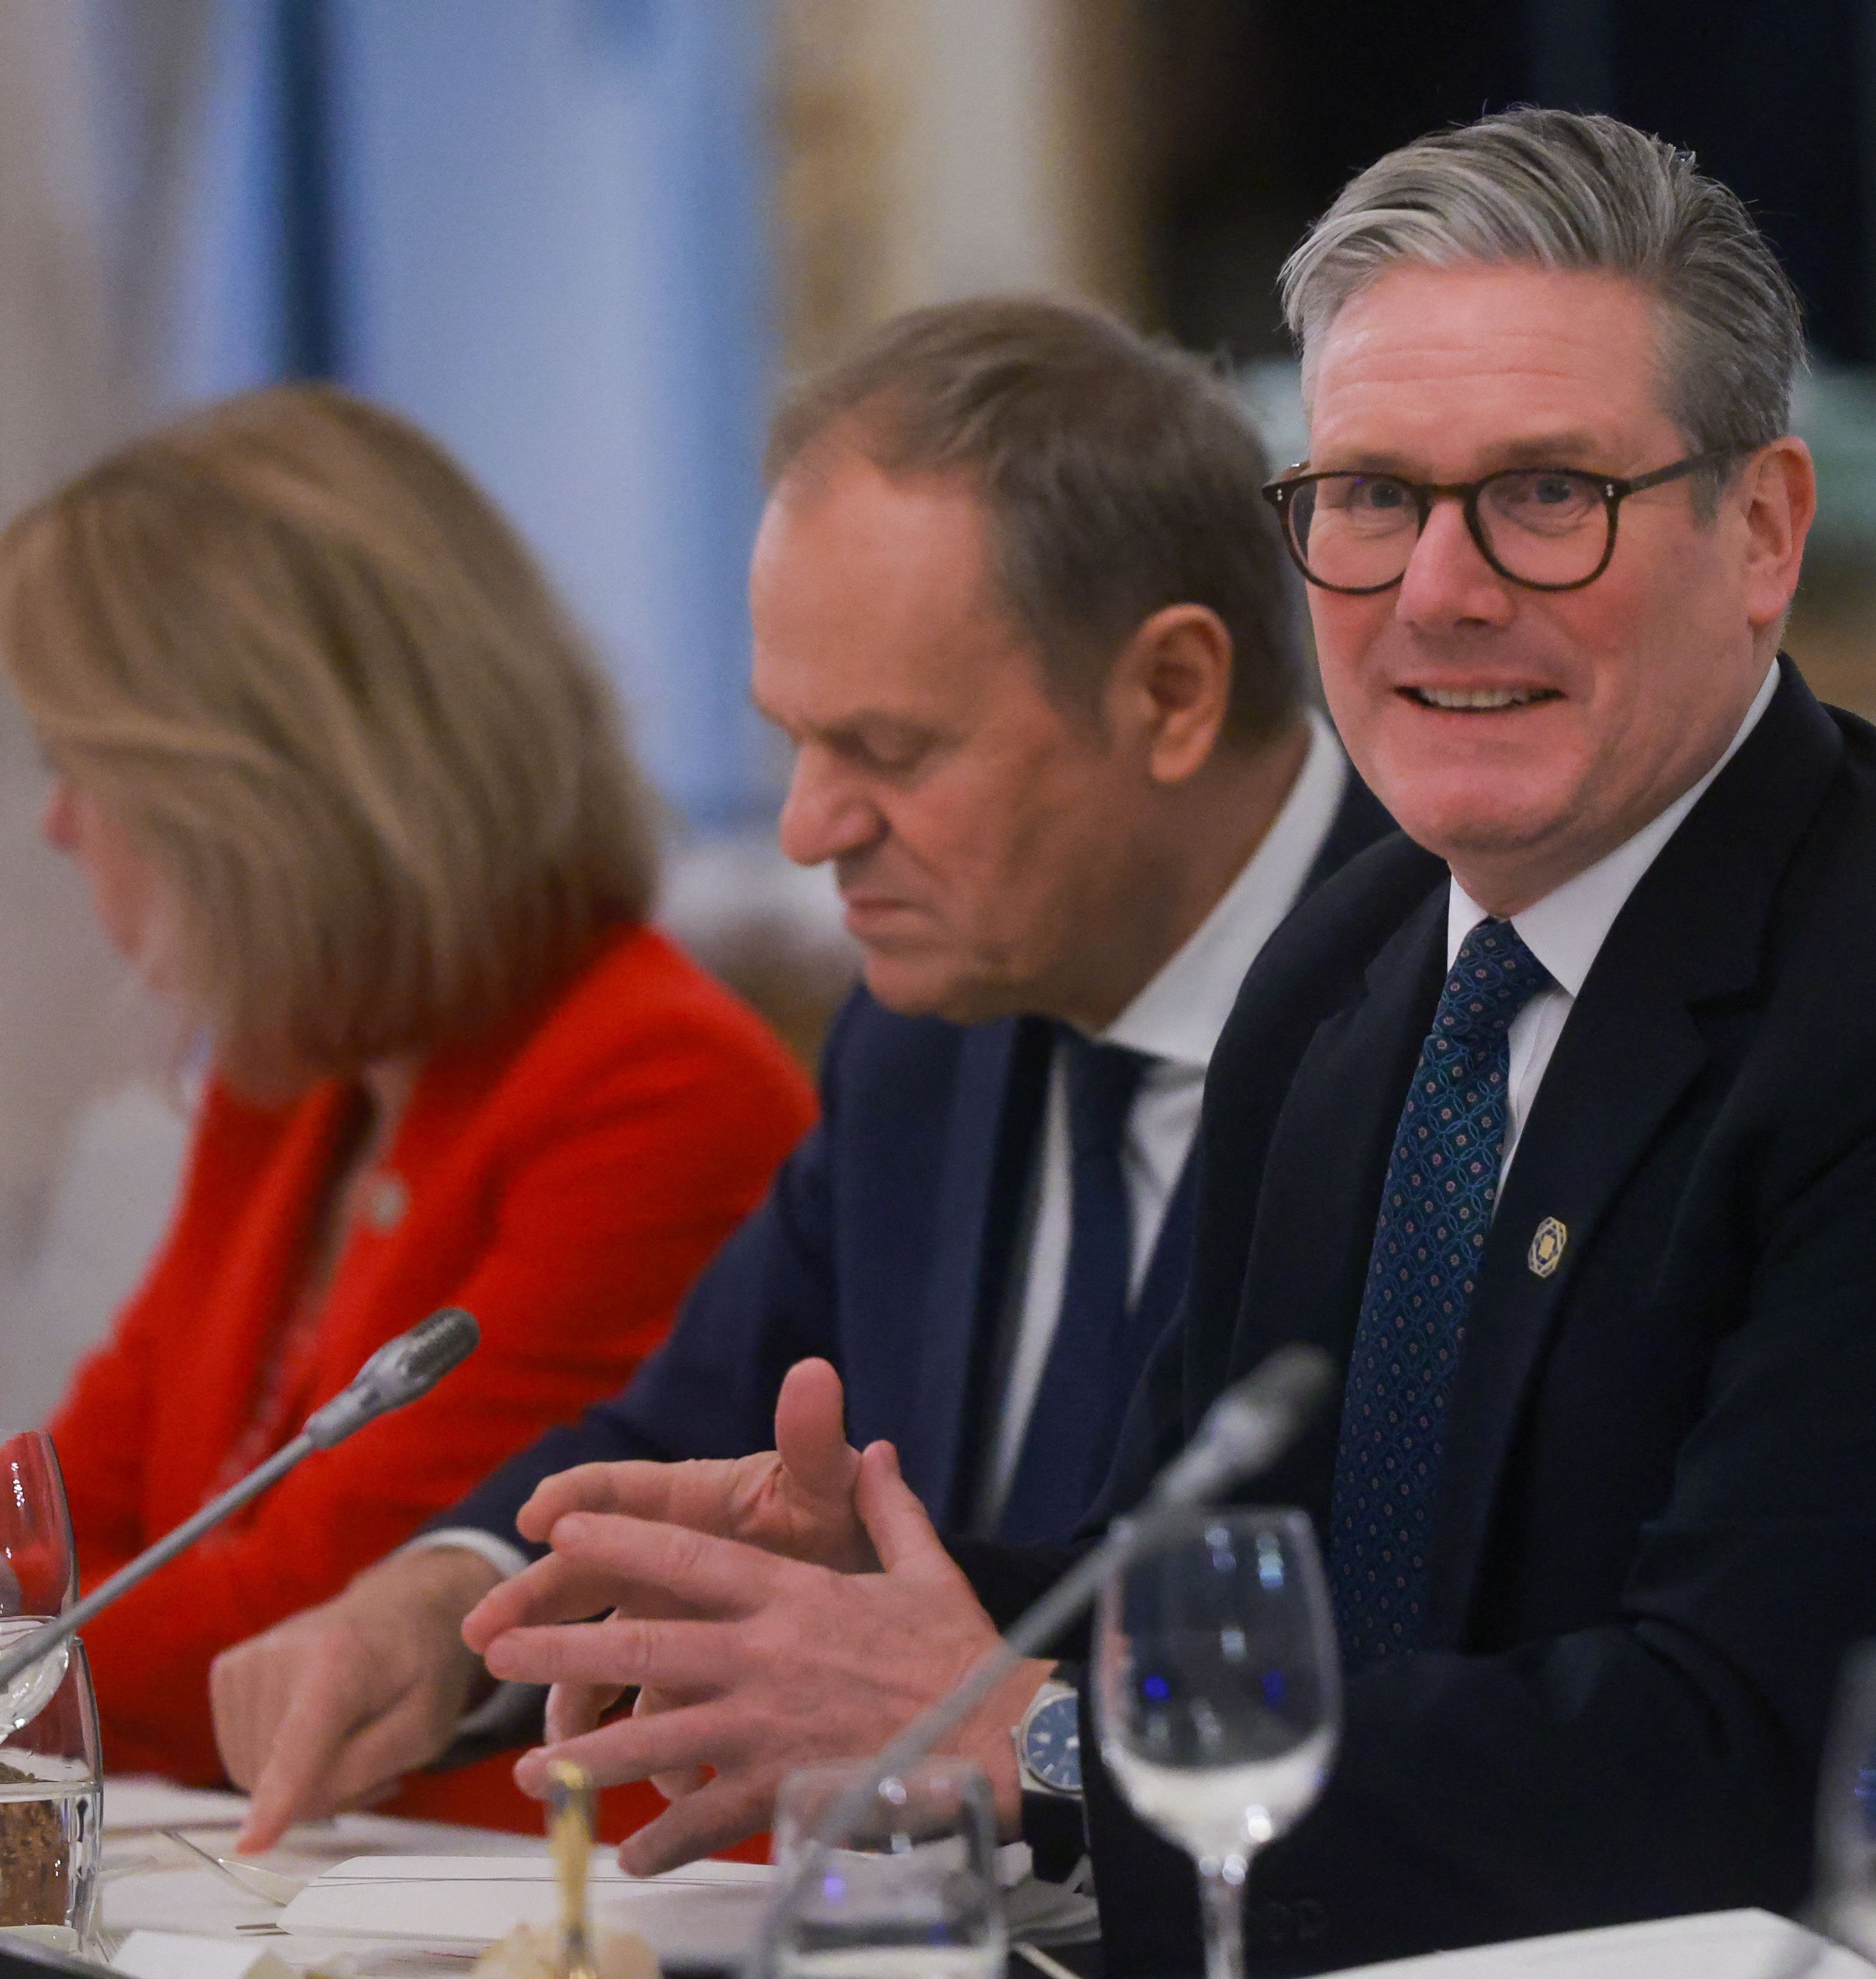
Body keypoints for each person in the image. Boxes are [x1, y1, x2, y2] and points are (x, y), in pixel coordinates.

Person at [461, 108, 1876, 1971]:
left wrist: (1004, 1716)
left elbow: (1742, 1757)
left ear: (1759, 533)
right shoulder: (1352, 960)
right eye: (1366, 497)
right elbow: (1232, 1601)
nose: (1437, 589)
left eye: (1543, 494)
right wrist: (884, 1605)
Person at [211, 298, 1396, 1862]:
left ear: (1170, 694)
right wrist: (436, 1600)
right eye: (792, 742)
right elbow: (690, 1422)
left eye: (888, 752)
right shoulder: (920, 1031)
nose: (807, 827)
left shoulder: (1455, 1010)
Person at [0, 385, 815, 1829]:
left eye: (85, 766)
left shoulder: (653, 1085)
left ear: (267, 789)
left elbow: (299, 1629)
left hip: (527, 1912)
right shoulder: (300, 1072)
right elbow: (71, 1519)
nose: (60, 823)